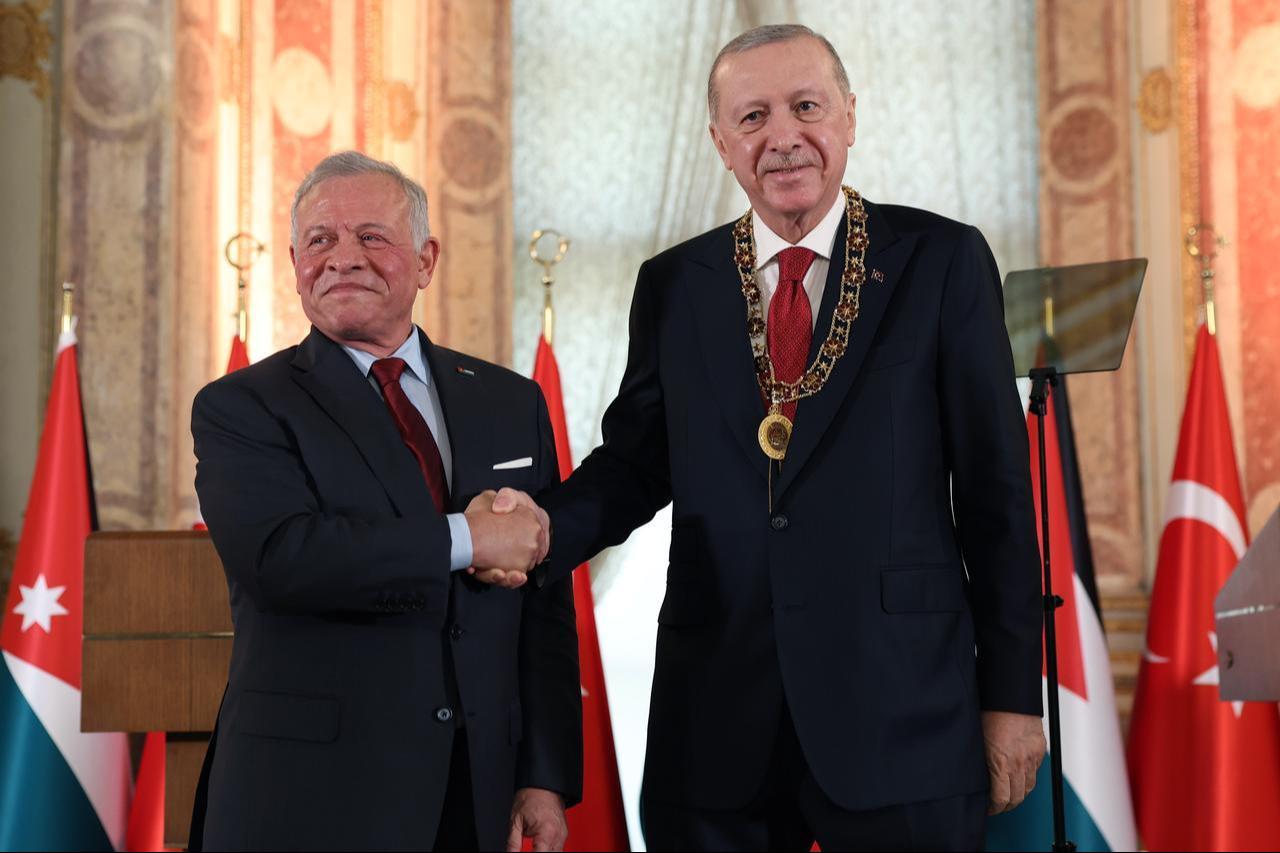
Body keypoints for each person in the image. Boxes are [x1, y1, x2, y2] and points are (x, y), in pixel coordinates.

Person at [489, 24, 1047, 851]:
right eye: (752, 117)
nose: (782, 135)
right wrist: (536, 531)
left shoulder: (942, 262)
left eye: (806, 106)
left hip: (901, 709)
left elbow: (998, 493)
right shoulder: (676, 284)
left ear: (849, 118)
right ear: (721, 142)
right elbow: (638, 463)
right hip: (717, 710)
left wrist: (1012, 694)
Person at [188, 151, 579, 852]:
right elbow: (283, 557)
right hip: (307, 795)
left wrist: (542, 774)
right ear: (295, 262)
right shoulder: (242, 405)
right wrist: (467, 538)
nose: (343, 258)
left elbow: (541, 602)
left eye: (371, 236)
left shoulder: (511, 402)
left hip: (473, 787)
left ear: (426, 260)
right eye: (320, 240)